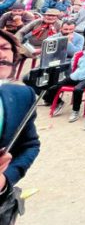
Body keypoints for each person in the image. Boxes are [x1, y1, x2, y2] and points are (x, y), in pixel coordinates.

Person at [0, 29, 41, 203]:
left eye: (4, 47)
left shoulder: (22, 95)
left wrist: (5, 179)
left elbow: (30, 145)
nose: (1, 54)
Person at [44, 39, 85, 122]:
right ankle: (59, 103)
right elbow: (75, 63)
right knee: (53, 87)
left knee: (77, 89)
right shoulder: (84, 54)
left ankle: (75, 111)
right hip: (76, 75)